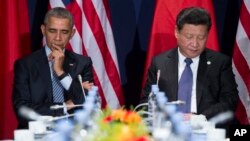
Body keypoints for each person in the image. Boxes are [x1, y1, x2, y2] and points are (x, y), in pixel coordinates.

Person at [140, 7, 239, 126]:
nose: (195, 43)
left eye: (201, 37)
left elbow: (230, 100)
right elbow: (146, 102)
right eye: (189, 37)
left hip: (206, 128)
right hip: (169, 128)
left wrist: (200, 118)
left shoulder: (220, 63)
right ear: (177, 32)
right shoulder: (160, 62)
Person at [12, 7, 94, 129]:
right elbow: (22, 111)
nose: (58, 38)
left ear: (72, 33)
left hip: (75, 133)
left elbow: (87, 103)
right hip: (37, 133)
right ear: (43, 30)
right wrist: (65, 106)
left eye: (64, 32)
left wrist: (61, 73)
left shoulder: (82, 63)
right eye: (52, 31)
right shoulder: (25, 65)